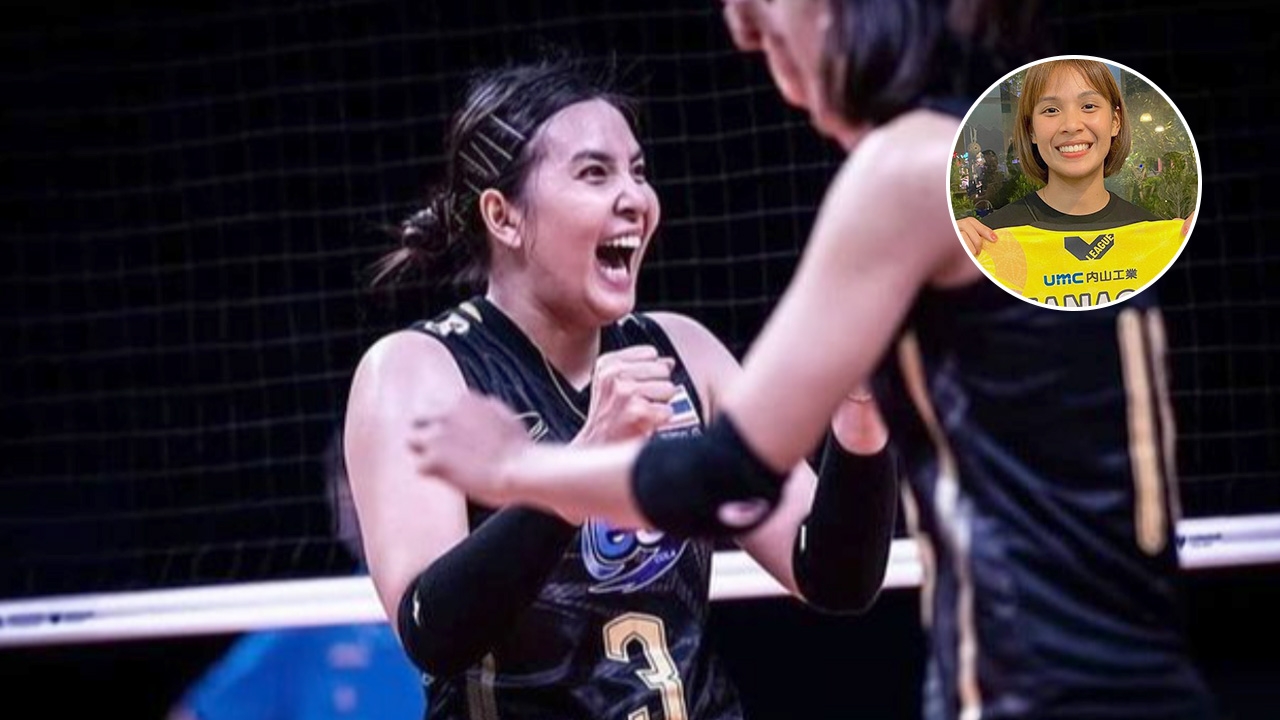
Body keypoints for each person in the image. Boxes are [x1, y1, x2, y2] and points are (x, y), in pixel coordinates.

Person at [411, 1, 1216, 718]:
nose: (773, 67)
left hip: (1037, 689)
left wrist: (519, 468)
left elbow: (726, 475)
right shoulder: (1046, 160)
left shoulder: (906, 171)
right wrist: (863, 410)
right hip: (1149, 675)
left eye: (771, 34)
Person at [343, 56, 898, 719]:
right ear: (504, 216)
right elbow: (431, 633)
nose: (635, 197)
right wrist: (579, 467)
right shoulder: (416, 371)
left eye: (637, 171)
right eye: (594, 173)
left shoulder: (683, 352)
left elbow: (833, 579)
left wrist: (861, 413)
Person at [167, 429, 426, 720]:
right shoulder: (310, 620)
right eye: (343, 474)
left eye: (372, 473)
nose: (352, 496)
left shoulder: (446, 602)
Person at [955, 58, 1194, 306]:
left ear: (1115, 121)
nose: (1071, 125)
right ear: (1031, 130)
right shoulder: (990, 241)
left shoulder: (1159, 241)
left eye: (1089, 106)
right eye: (1051, 110)